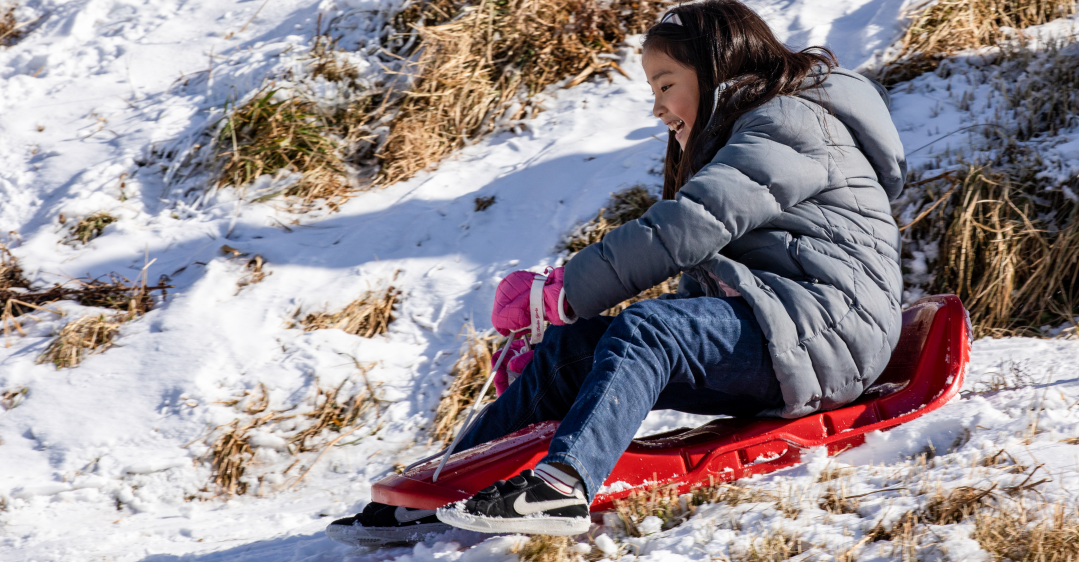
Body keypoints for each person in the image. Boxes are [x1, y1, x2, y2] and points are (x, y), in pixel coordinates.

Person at [328, 0, 905, 545]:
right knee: (570, 350)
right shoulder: (744, 130)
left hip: (829, 332)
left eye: (666, 85)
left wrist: (562, 292)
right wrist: (570, 337)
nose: (658, 107)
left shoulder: (793, 122)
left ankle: (561, 488)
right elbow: (708, 274)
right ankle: (440, 488)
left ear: (717, 70)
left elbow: (687, 227)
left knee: (647, 328)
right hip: (784, 329)